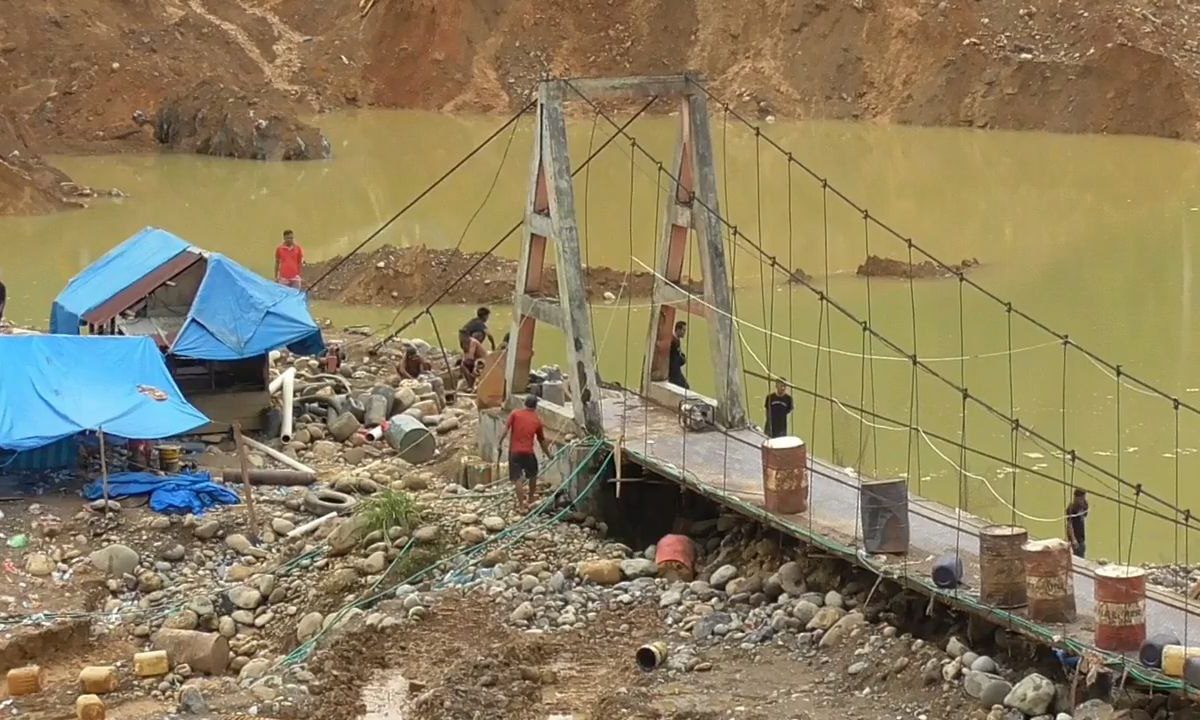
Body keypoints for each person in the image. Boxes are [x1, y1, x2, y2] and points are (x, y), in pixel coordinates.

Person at [497, 394, 552, 511]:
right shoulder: (537, 420)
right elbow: (542, 441)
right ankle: (531, 498)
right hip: (528, 453)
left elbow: (505, 429)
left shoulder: (515, 414)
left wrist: (499, 443)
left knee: (518, 479)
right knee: (533, 475)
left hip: (514, 452)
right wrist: (549, 455)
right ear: (535, 406)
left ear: (524, 403)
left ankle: (521, 506)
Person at [1065, 488, 1088, 558]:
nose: (1083, 500)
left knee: (1081, 556)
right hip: (1074, 539)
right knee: (1074, 558)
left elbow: (1085, 515)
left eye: (1084, 498)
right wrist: (1073, 539)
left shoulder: (1084, 505)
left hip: (1081, 538)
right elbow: (1069, 525)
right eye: (1081, 498)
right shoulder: (1071, 508)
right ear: (1076, 498)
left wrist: (1084, 504)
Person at [668, 321, 689, 389]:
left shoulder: (676, 340)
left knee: (686, 386)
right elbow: (673, 358)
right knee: (684, 387)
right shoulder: (673, 341)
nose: (685, 333)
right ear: (678, 330)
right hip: (673, 372)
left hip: (676, 370)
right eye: (683, 330)